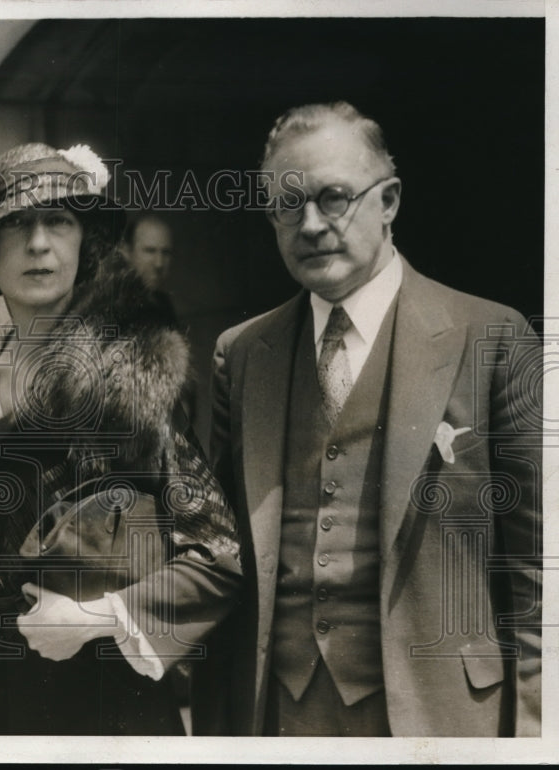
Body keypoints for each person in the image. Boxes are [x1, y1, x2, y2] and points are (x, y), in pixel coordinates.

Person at [193, 101, 541, 737]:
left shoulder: (492, 336)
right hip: (277, 713)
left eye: (333, 197)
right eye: (286, 205)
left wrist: (539, 732)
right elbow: (217, 551)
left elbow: (537, 569)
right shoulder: (241, 355)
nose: (311, 225)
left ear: (390, 202)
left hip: (441, 720)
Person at [0, 142, 242, 735]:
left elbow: (220, 557)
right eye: (16, 225)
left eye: (58, 221)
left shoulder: (129, 379)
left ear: (84, 242)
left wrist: (94, 616)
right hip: (10, 701)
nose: (39, 243)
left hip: (121, 702)